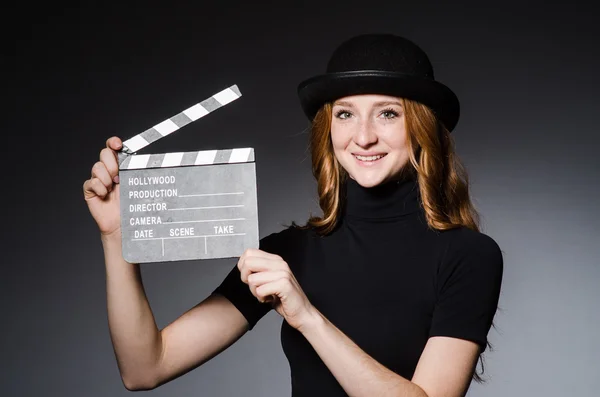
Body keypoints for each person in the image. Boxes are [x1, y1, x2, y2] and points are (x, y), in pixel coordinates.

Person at [83, 33, 503, 397]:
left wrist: (307, 318)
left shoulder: (468, 256)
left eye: (388, 113)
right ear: (329, 129)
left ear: (422, 128)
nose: (364, 136)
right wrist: (118, 237)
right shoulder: (286, 254)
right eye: (345, 114)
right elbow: (144, 368)